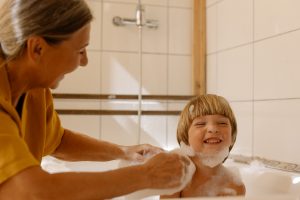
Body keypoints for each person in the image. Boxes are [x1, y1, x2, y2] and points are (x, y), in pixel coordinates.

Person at [0, 0, 189, 199]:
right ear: (37, 48)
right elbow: (31, 192)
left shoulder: (35, 90)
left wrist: (124, 152)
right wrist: (147, 175)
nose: (84, 61)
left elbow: (57, 141)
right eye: (80, 50)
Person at [161, 94, 246, 198]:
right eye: (200, 124)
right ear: (185, 136)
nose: (213, 129)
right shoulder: (176, 179)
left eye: (222, 123)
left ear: (232, 135)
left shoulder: (236, 185)